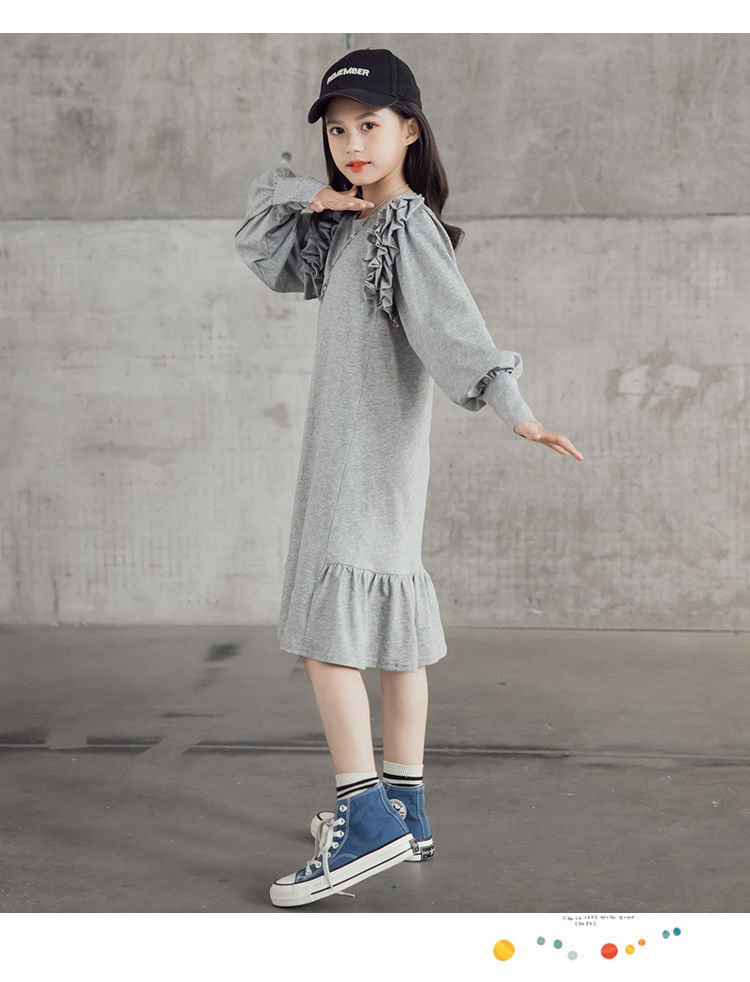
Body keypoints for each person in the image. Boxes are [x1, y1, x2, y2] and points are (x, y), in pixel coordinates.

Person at [234, 47, 583, 909]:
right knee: (390, 629)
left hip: (361, 464)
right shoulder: (348, 228)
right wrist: (311, 196)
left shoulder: (403, 228)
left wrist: (513, 405)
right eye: (338, 132)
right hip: (362, 458)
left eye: (370, 125)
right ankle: (406, 807)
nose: (352, 145)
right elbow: (259, 238)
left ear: (410, 130)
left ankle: (366, 821)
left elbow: (456, 328)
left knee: (326, 635)